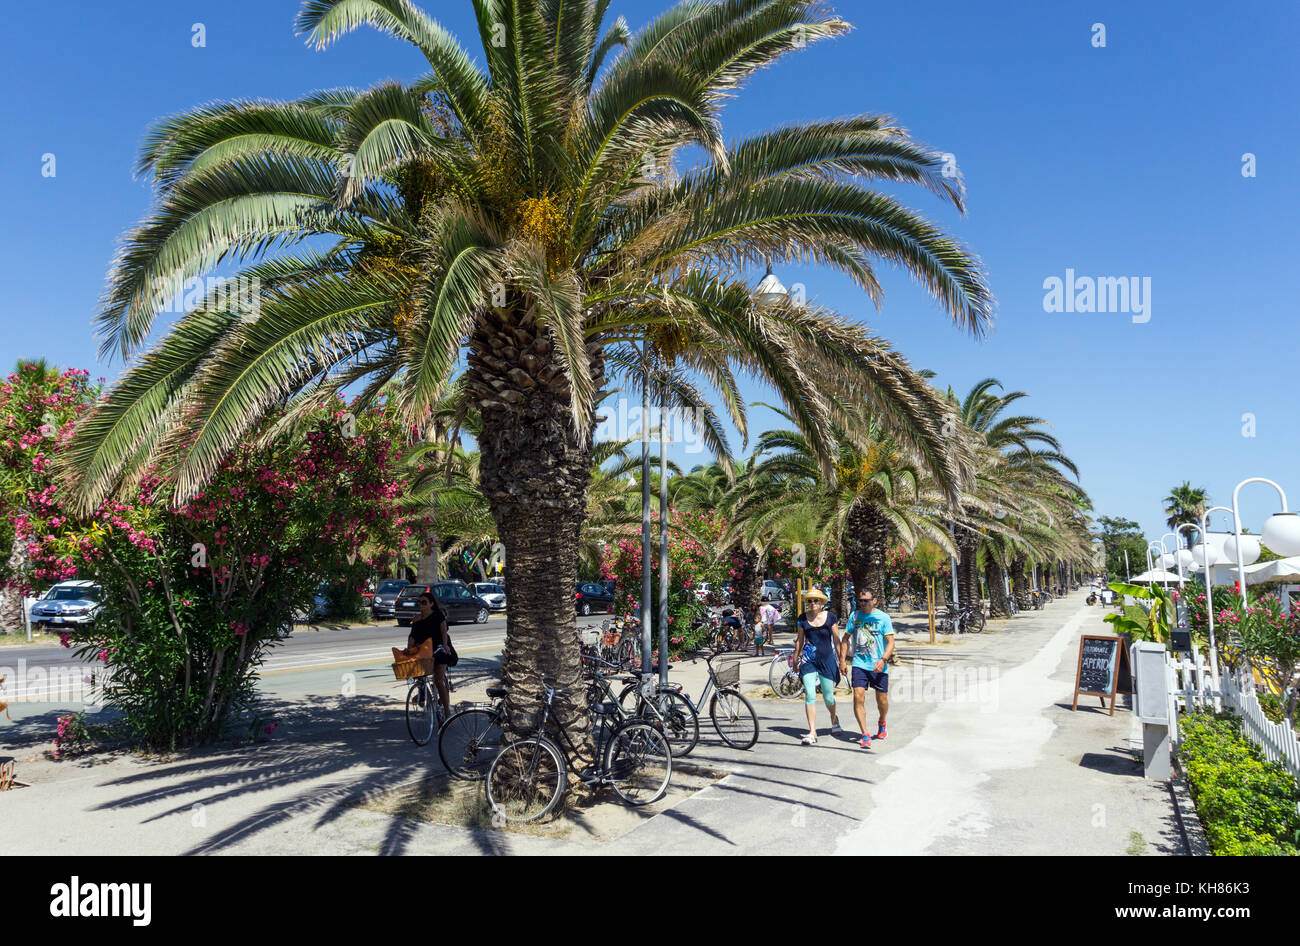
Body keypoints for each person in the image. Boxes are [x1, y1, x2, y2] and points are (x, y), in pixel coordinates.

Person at [840, 588, 894, 749]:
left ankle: (882, 721)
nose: (862, 604)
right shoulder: (855, 616)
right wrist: (842, 661)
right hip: (859, 663)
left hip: (878, 665)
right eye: (860, 601)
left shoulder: (883, 617)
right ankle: (865, 733)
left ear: (874, 600)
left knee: (882, 700)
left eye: (866, 601)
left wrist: (883, 659)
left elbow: (890, 642)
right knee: (858, 696)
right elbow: (845, 639)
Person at [793, 588, 842, 745]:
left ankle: (834, 719)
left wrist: (841, 660)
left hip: (826, 660)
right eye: (810, 601)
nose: (812, 603)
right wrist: (795, 658)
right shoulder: (802, 619)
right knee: (810, 694)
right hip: (808, 660)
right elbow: (800, 640)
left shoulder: (830, 617)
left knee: (828, 697)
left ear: (821, 602)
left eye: (816, 600)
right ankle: (812, 732)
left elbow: (836, 640)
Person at [408, 591, 452, 717]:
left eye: (424, 602)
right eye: (419, 602)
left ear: (431, 604)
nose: (420, 605)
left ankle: (447, 711)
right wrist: (409, 649)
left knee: (438, 680)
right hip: (423, 652)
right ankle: (424, 693)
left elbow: (444, 631)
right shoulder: (416, 619)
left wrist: (445, 645)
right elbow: (412, 637)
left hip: (438, 650)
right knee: (417, 673)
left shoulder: (438, 615)